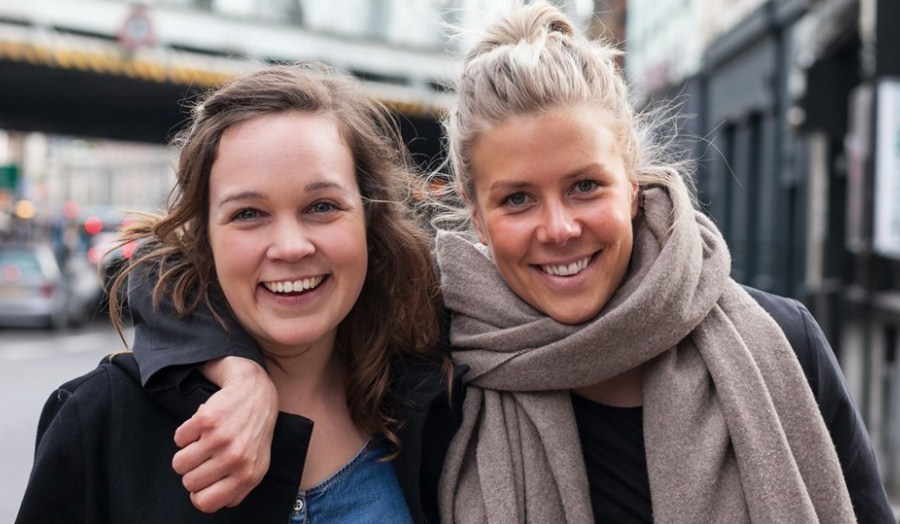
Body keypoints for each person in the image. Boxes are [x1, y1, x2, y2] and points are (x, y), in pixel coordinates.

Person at [118, 3, 894, 523]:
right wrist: (235, 368)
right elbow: (188, 269)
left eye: (586, 186)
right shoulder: (436, 355)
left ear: (634, 181)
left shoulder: (778, 341)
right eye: (517, 199)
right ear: (474, 209)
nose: (558, 228)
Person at [15, 62, 462, 524]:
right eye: (249, 214)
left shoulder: (443, 400)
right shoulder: (100, 419)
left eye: (322, 206)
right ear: (204, 237)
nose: (290, 246)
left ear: (370, 222)